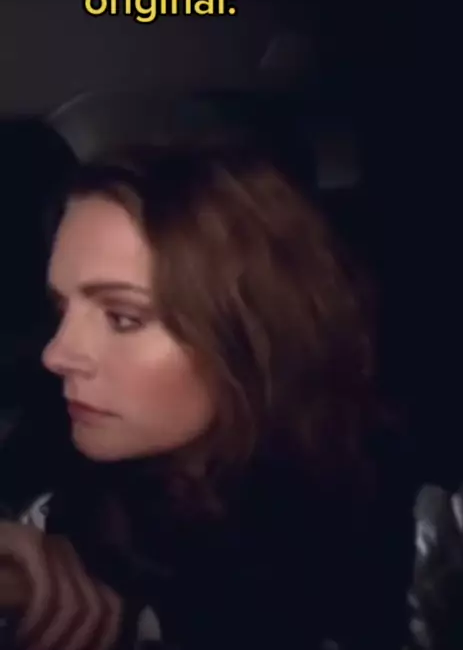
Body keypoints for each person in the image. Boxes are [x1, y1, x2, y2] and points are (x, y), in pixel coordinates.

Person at [0, 144, 414, 649]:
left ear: (253, 335)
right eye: (62, 309)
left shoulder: (332, 556)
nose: (57, 354)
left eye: (123, 318)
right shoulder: (51, 437)